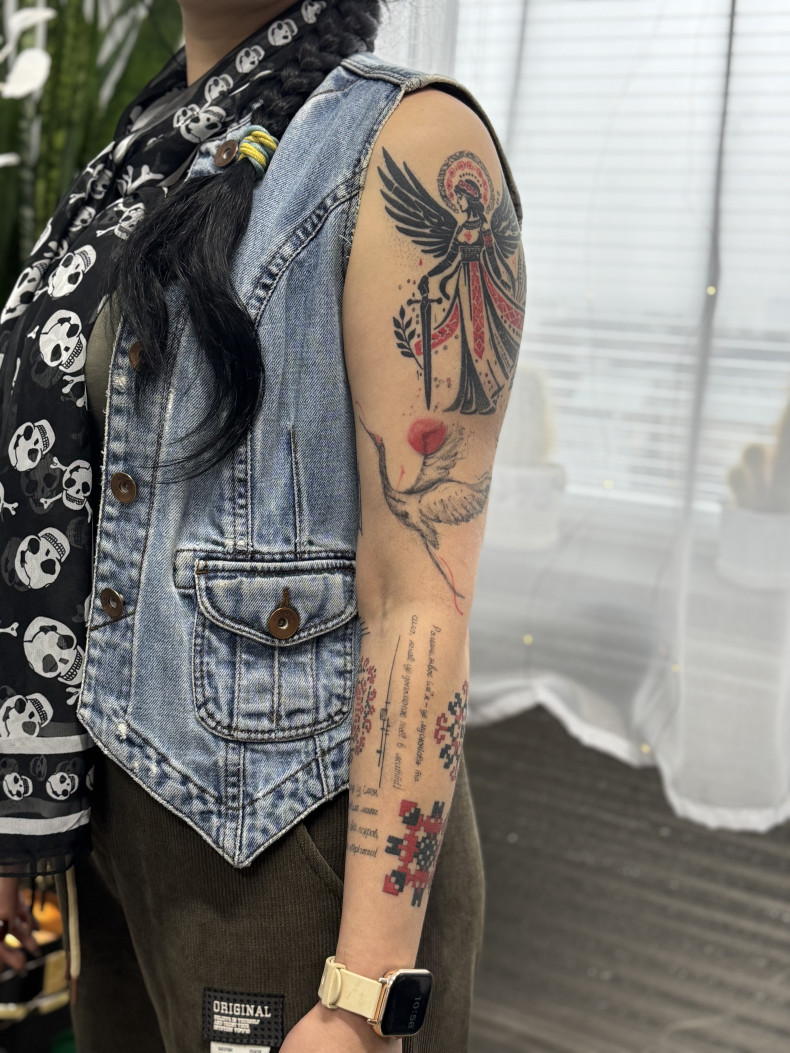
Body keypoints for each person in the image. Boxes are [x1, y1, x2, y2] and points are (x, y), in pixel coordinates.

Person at [0, 1, 526, 1049]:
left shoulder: (410, 142)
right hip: (117, 806)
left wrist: (367, 996)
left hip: (287, 833)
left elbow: (419, 595)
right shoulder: (146, 148)